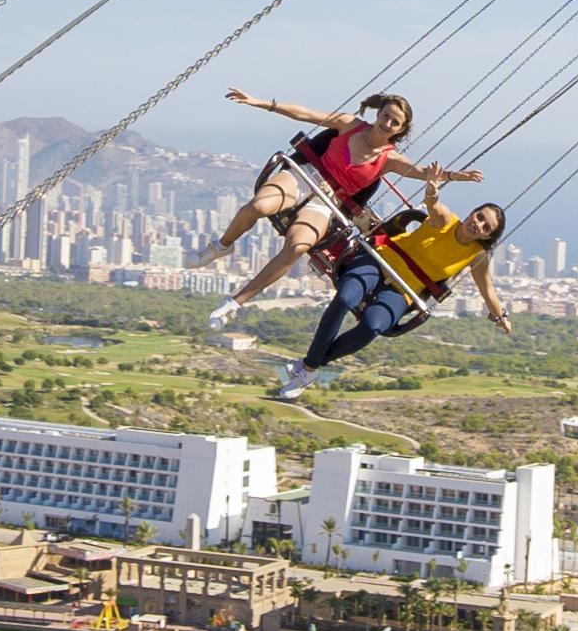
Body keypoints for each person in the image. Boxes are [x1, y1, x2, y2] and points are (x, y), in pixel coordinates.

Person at [197, 89, 474, 315]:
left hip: (329, 200)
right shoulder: (350, 125)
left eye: (394, 122)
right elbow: (306, 113)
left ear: (400, 129)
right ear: (379, 113)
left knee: (298, 246)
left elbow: (423, 173)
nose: (387, 123)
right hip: (307, 176)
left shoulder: (390, 159)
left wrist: (453, 176)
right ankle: (223, 245)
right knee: (258, 206)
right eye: (386, 116)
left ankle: (236, 301)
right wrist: (261, 103)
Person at [269, 191, 515, 403]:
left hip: (404, 288)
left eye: (486, 228)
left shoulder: (477, 255)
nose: (478, 225)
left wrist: (500, 316)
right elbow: (434, 205)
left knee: (373, 326)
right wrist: (432, 190)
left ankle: (310, 365)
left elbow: (487, 289)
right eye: (480, 217)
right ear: (472, 212)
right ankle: (310, 367)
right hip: (381, 260)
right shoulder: (445, 221)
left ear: (487, 236)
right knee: (345, 299)